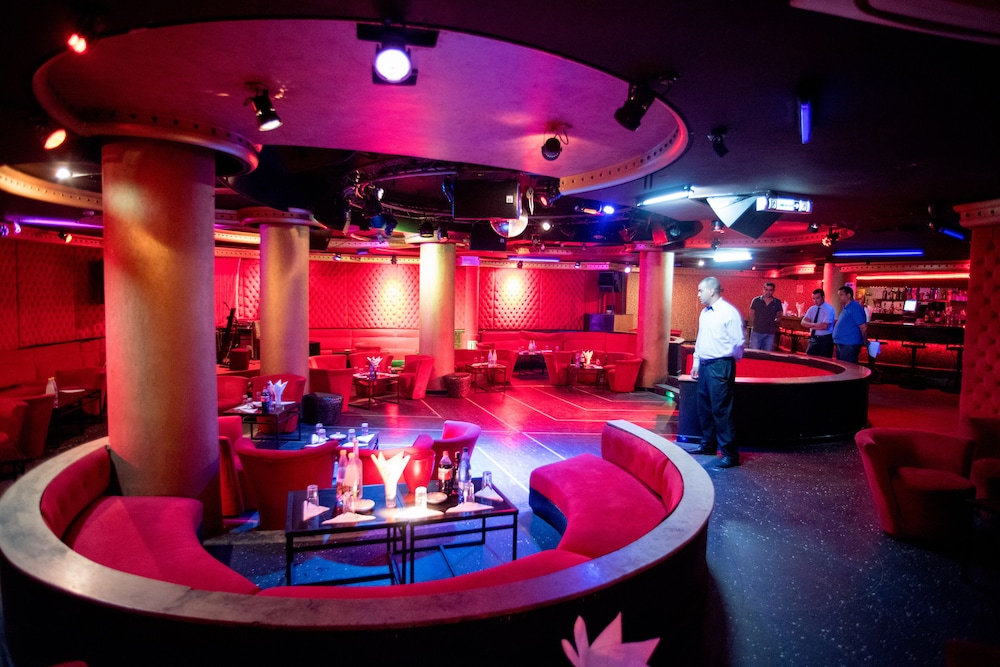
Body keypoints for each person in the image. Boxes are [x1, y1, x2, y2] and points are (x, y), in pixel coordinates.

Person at [687, 277, 745, 468]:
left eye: (700, 290)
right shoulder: (704, 312)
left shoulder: (728, 312)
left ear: (712, 291)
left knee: (721, 410)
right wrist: (697, 361)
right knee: (704, 407)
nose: (698, 294)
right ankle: (708, 445)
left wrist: (726, 360)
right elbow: (701, 338)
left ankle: (730, 454)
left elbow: (738, 342)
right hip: (705, 365)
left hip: (720, 364)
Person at [834, 285, 868, 364]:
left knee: (848, 368)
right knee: (842, 367)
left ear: (848, 295)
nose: (839, 297)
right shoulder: (847, 307)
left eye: (841, 295)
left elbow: (863, 327)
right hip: (843, 343)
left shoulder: (855, 307)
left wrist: (864, 340)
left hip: (849, 344)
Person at [748, 281, 783, 351]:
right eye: (766, 290)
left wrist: (774, 322)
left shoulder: (777, 302)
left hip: (770, 332)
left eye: (770, 290)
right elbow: (751, 314)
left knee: (767, 353)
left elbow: (780, 314)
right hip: (757, 331)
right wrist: (754, 324)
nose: (768, 292)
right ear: (763, 290)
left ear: (773, 291)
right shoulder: (756, 300)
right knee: (754, 352)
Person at [801, 288, 835, 358]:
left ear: (823, 297)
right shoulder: (812, 309)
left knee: (824, 360)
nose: (815, 300)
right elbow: (803, 323)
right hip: (813, 338)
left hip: (825, 339)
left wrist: (810, 325)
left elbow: (825, 326)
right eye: (813, 298)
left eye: (817, 298)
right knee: (810, 358)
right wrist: (815, 325)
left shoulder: (829, 309)